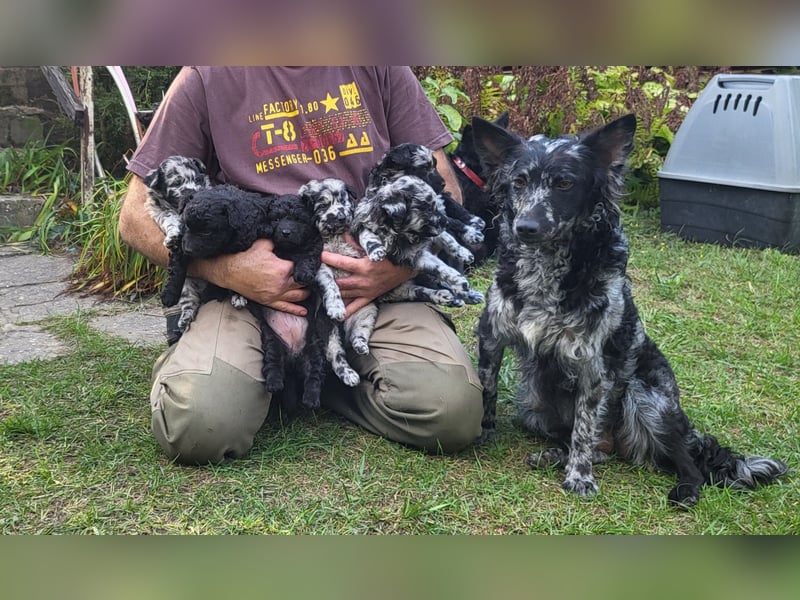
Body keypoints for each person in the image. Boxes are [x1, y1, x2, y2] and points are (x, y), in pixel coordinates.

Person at [118, 67, 483, 465]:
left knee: (451, 414)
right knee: (197, 427)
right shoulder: (207, 75)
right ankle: (227, 371)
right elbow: (134, 217)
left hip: (370, 290)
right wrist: (228, 272)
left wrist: (400, 268)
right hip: (252, 298)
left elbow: (442, 184)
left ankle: (316, 378)